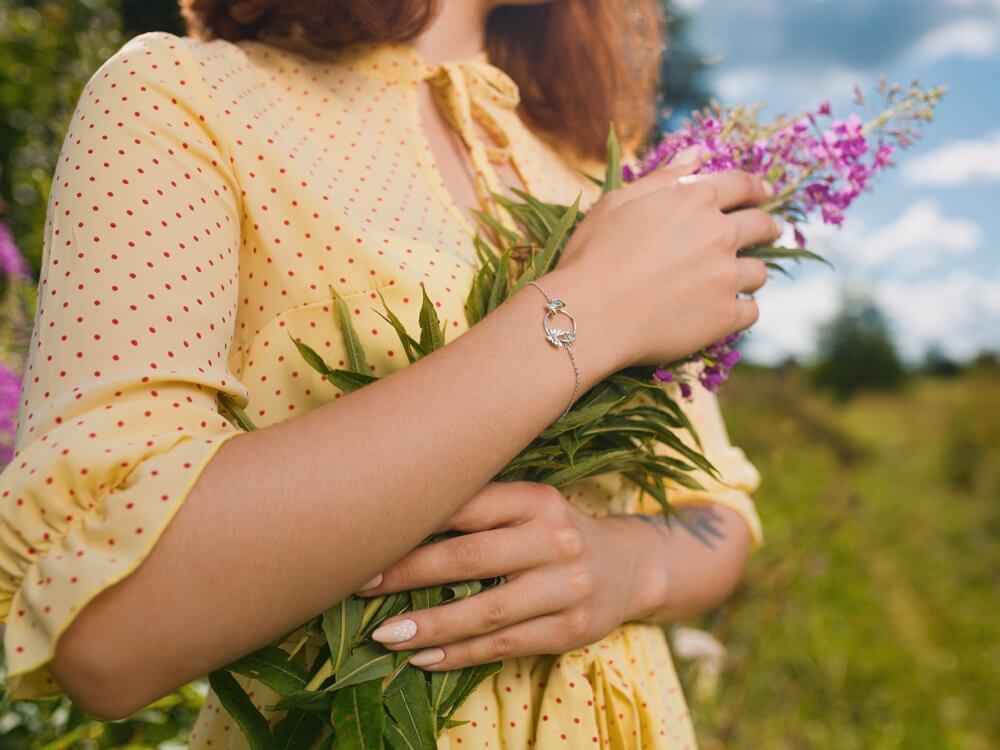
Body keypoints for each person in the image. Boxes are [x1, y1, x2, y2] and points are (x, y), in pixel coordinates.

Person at [0, 0, 776, 747]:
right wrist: (589, 310)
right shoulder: (182, 95)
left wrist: (625, 567)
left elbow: (716, 512)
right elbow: (104, 626)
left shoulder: (598, 176)